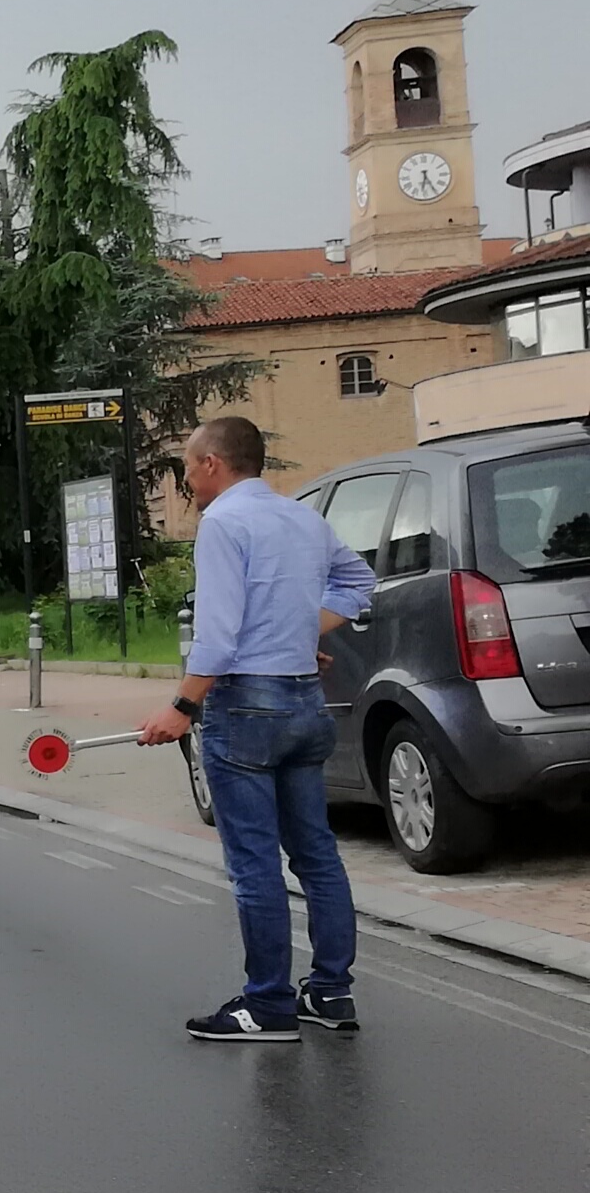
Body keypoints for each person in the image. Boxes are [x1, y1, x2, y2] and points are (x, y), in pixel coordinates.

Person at [137, 416, 374, 1042]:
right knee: (317, 854)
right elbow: (358, 582)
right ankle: (330, 993)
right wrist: (300, 635)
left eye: (188, 467)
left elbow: (215, 634)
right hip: (303, 702)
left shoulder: (223, 524)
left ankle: (266, 1004)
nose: (187, 479)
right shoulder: (303, 518)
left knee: (254, 866)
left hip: (245, 709)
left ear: (213, 463)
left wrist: (180, 708)